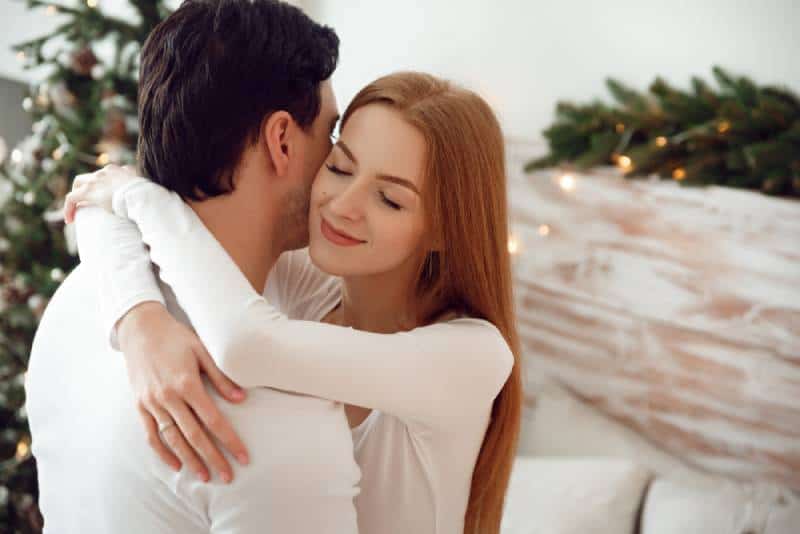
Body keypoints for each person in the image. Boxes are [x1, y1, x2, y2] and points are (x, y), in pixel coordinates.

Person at [65, 71, 523, 534]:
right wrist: (140, 323)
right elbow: (94, 204)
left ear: (446, 228)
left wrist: (138, 197)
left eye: (389, 199)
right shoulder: (305, 278)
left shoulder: (474, 356)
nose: (342, 204)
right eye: (341, 167)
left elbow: (246, 346)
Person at [24, 1, 361, 532]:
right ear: (282, 140)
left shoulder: (80, 295)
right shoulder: (264, 419)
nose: (340, 167)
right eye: (330, 135)